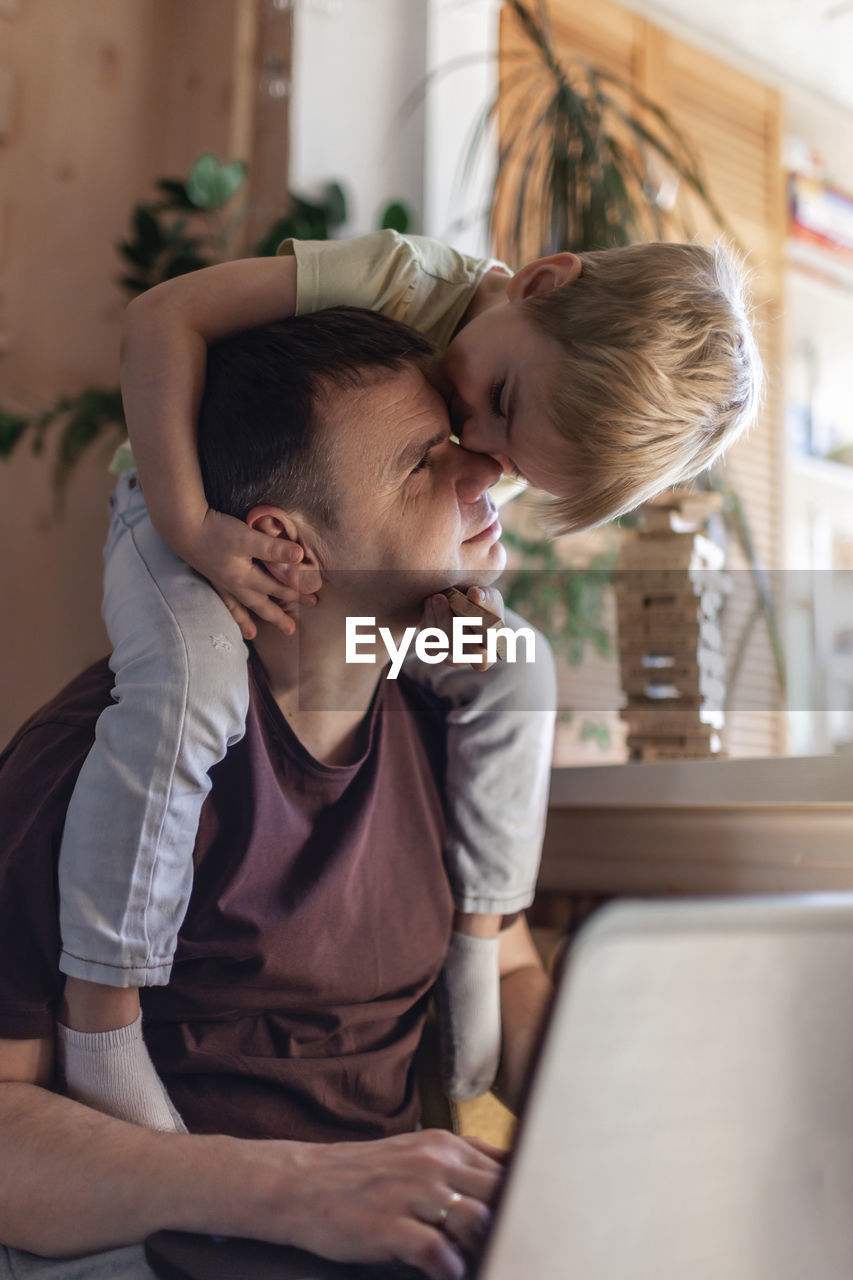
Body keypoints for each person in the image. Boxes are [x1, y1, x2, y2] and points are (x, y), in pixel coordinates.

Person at [56, 228, 761, 1123]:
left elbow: (446, 542)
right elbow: (164, 317)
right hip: (170, 502)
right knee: (191, 683)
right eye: (491, 407)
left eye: (506, 466)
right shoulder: (404, 277)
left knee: (519, 667)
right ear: (540, 284)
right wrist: (191, 525)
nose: (478, 442)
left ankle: (479, 929)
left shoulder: (520, 405)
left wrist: (469, 600)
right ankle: (105, 1020)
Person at [0, 308, 553, 1280]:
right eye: (427, 462)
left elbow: (504, 969)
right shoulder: (88, 764)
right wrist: (291, 1190)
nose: (486, 470)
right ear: (285, 546)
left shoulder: (447, 732)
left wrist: (626, 1122)